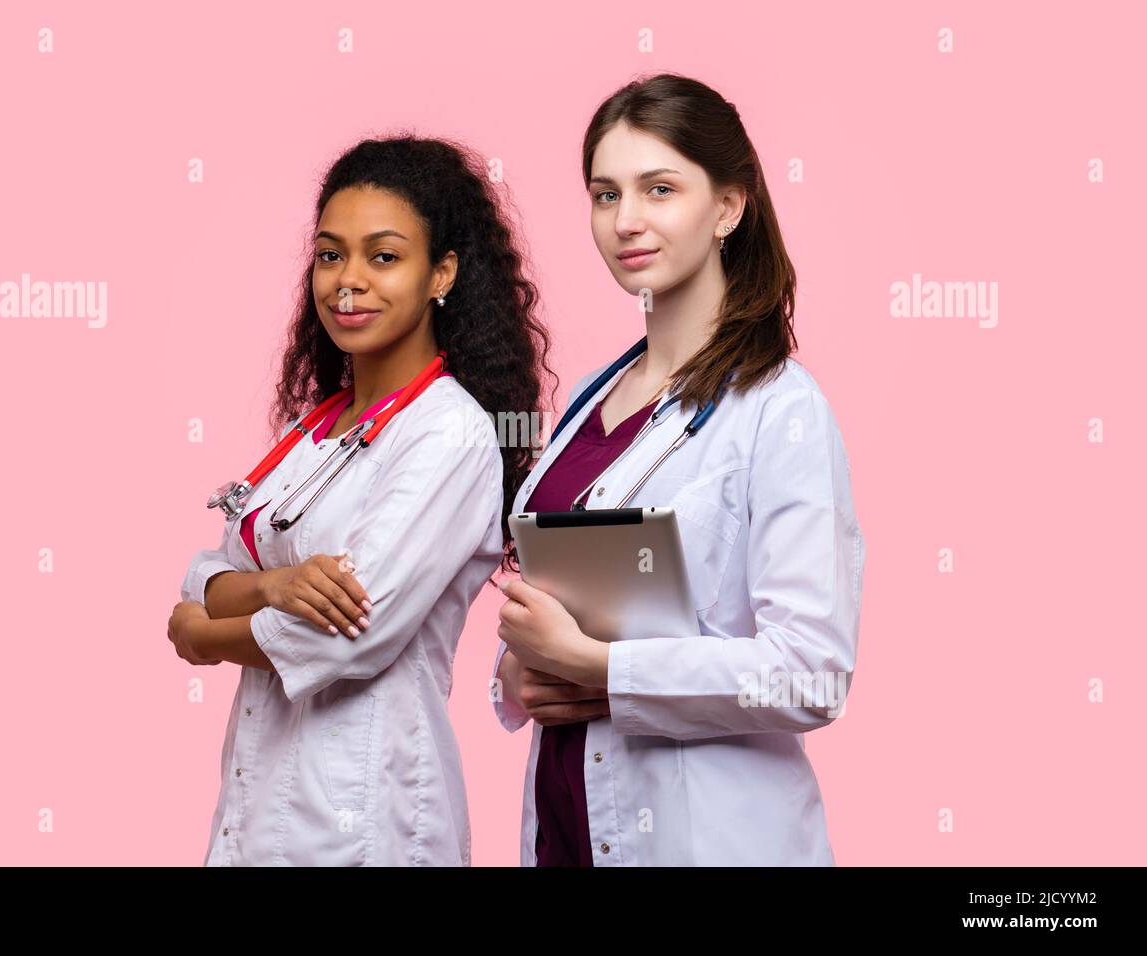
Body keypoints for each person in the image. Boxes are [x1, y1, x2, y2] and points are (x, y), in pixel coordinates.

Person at [492, 73, 866, 866]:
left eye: (659, 189)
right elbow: (563, 612)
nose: (626, 221)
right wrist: (518, 677)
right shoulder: (589, 403)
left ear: (728, 207)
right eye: (604, 194)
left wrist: (604, 668)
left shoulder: (779, 410)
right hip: (568, 826)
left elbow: (811, 673)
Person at [168, 135, 553, 865]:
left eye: (384, 256)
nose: (348, 281)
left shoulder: (451, 435)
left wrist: (199, 633)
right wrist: (271, 586)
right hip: (257, 809)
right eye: (330, 254)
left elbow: (343, 634)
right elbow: (207, 569)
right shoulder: (315, 430)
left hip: (366, 817)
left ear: (442, 272)